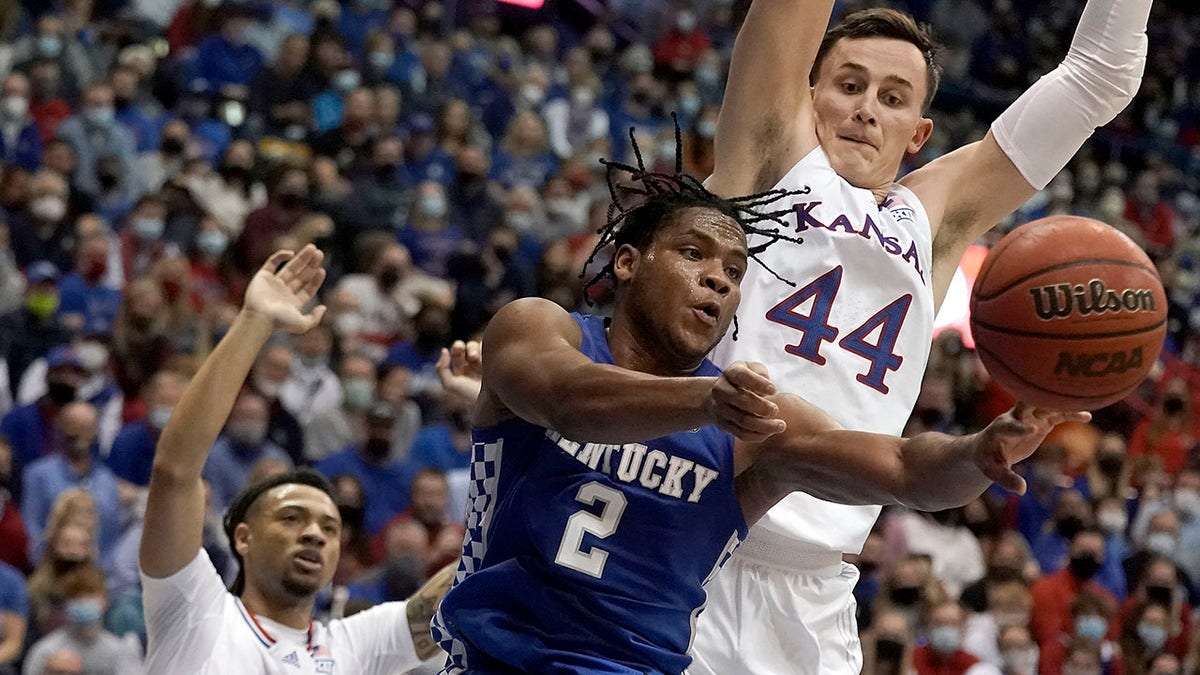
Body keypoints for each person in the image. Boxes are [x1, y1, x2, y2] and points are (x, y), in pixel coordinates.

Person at [431, 158, 1085, 674]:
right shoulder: (540, 328)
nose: (718, 278)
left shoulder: (752, 425)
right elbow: (565, 399)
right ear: (627, 262)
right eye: (693, 254)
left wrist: (978, 453)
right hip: (494, 661)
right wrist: (705, 404)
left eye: (735, 269)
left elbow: (901, 468)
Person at [694, 0, 1153, 671]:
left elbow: (1099, 76)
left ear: (919, 130)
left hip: (817, 591)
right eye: (848, 86)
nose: (866, 109)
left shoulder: (929, 219)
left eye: (892, 97)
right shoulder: (770, 159)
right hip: (689, 540)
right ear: (807, 92)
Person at [138, 244, 454, 673]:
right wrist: (255, 322)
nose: (314, 535)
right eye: (291, 518)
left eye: (330, 528)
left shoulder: (352, 646)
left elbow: (469, 575)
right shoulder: (194, 610)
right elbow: (175, 472)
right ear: (244, 538)